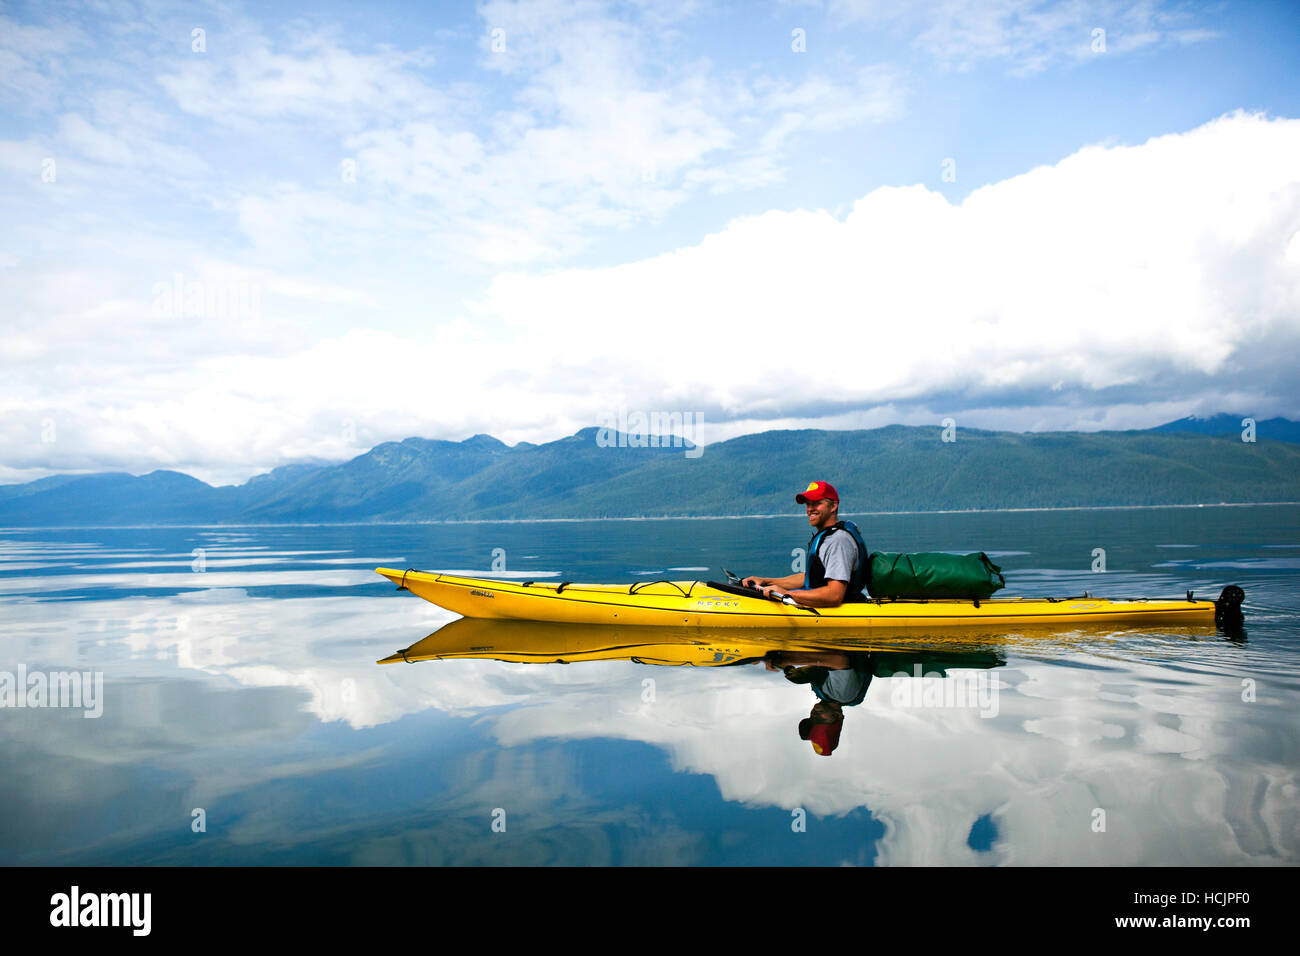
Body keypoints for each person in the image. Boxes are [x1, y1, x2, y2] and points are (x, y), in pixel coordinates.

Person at [742, 480, 868, 608]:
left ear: (833, 506)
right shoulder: (829, 537)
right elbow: (810, 578)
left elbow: (834, 595)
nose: (810, 509)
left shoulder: (838, 541)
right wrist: (765, 582)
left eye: (817, 503)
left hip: (841, 613)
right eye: (808, 504)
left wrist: (787, 594)